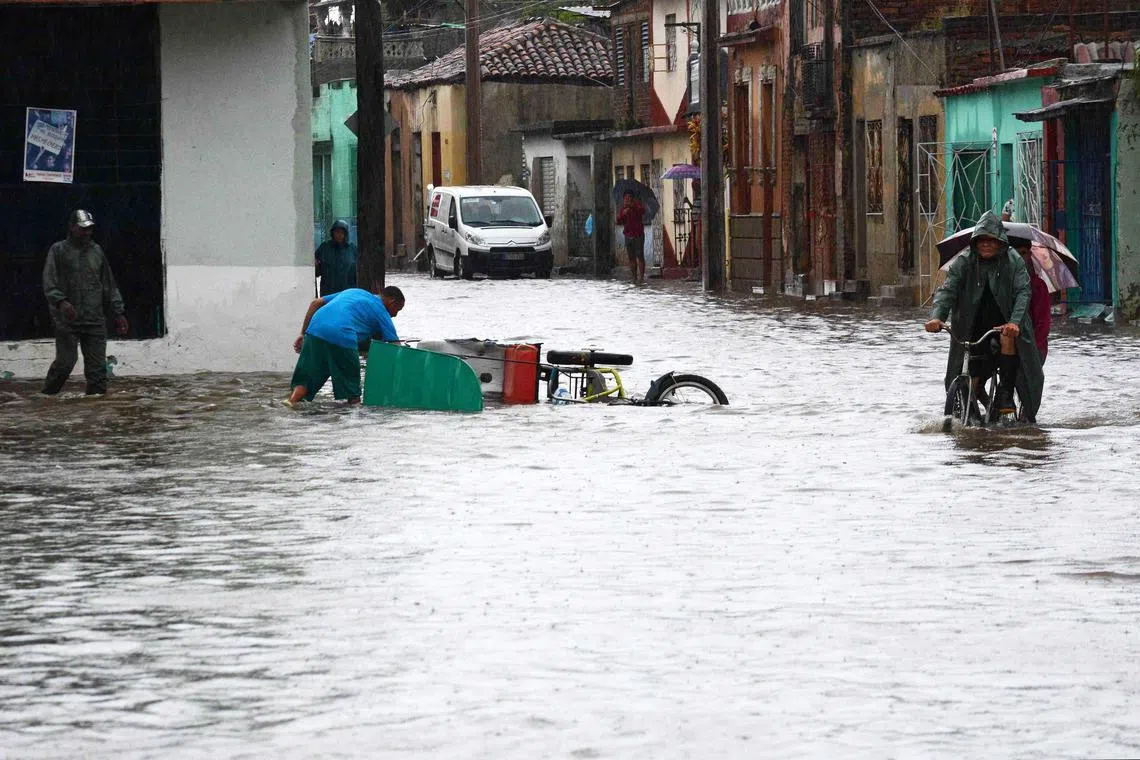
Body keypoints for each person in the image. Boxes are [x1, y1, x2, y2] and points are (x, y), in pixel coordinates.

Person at [924, 211, 1044, 422]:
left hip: (1006, 325)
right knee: (970, 374)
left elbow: (1023, 293)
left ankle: (1006, 392)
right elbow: (947, 290)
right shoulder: (964, 262)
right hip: (972, 327)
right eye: (982, 240)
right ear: (975, 242)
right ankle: (972, 418)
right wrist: (937, 317)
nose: (986, 244)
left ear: (1000, 241)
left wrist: (1014, 322)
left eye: (991, 240)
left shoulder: (1013, 261)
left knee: (1009, 340)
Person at [41, 209, 129, 396]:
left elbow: (108, 284)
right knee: (65, 363)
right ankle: (46, 397)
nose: (87, 232)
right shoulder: (58, 250)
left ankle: (94, 411)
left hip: (94, 319)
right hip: (67, 321)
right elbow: (49, 282)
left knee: (97, 372)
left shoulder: (97, 252)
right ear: (72, 228)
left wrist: (118, 312)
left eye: (90, 228)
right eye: (83, 229)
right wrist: (62, 302)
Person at [284, 285, 405, 407]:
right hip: (342, 335)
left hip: (314, 330)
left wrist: (302, 334)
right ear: (392, 302)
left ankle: (292, 403)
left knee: (306, 379)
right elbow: (396, 346)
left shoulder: (354, 292)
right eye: (397, 309)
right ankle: (355, 419)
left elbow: (316, 303)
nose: (395, 315)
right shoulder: (381, 310)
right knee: (352, 391)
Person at [1015, 243, 1051, 362]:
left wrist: (1031, 346)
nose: (1018, 258)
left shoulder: (1038, 286)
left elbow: (1043, 323)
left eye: (1023, 253)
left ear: (1030, 255)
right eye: (1014, 253)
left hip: (1033, 346)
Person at [314, 220, 357, 297]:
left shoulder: (352, 249)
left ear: (345, 234)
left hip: (346, 291)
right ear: (333, 233)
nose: (339, 235)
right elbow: (316, 269)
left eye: (342, 233)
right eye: (337, 232)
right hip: (328, 291)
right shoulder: (324, 247)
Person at [616, 191, 646, 283]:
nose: (627, 199)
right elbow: (619, 222)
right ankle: (634, 277)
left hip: (638, 234)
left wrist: (632, 206)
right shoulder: (623, 209)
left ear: (632, 198)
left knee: (640, 255)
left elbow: (642, 211)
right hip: (628, 235)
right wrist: (623, 214)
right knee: (631, 257)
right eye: (625, 197)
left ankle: (641, 277)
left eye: (629, 197)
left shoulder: (637, 205)